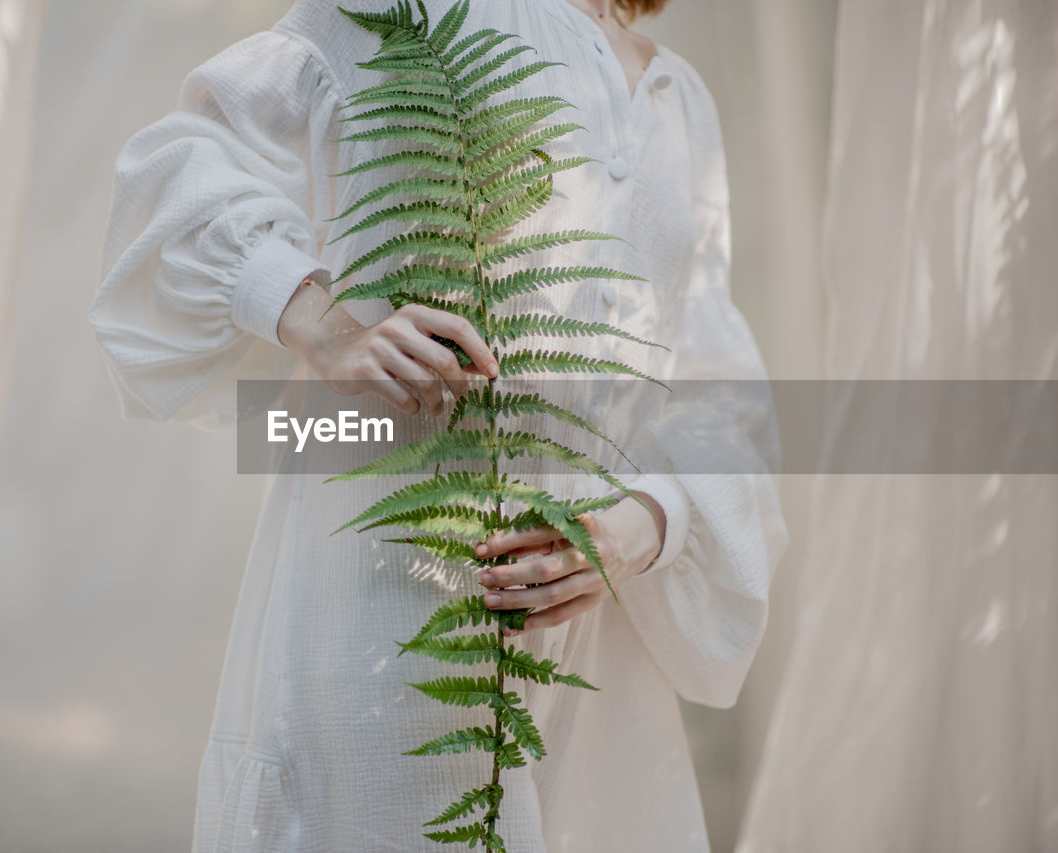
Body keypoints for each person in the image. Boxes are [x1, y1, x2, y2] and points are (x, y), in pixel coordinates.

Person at [89, 0, 788, 850]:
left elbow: (715, 384)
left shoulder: (683, 100)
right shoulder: (410, 10)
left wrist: (646, 525)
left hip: (601, 657)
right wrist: (321, 318)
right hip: (394, 606)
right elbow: (181, 163)